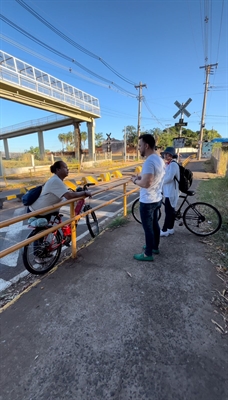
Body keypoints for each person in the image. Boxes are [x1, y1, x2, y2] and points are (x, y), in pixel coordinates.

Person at [131, 134, 165, 261]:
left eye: (140, 145)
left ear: (146, 146)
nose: (139, 148)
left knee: (148, 228)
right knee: (155, 224)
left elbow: (146, 183)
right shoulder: (159, 160)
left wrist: (135, 180)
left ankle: (147, 254)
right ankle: (154, 246)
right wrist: (141, 178)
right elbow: (153, 178)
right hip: (157, 198)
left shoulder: (149, 161)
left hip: (148, 201)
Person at [160, 147, 180, 237]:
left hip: (171, 192)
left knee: (168, 212)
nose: (166, 156)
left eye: (168, 154)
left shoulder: (173, 164)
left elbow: (169, 178)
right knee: (171, 212)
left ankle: (164, 230)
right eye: (165, 154)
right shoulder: (168, 164)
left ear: (172, 155)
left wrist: (160, 181)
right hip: (169, 191)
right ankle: (170, 229)